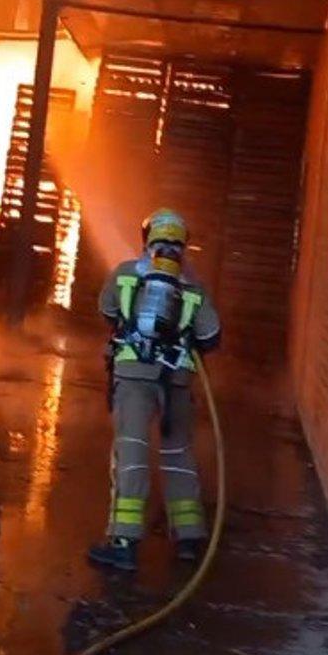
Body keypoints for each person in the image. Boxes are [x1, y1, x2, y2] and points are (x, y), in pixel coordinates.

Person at [88, 207, 221, 572]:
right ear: (183, 244)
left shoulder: (125, 273)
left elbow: (107, 311)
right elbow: (211, 336)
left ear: (147, 238)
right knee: (178, 455)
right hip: (177, 382)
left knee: (131, 453)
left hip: (133, 378)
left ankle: (124, 543)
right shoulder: (193, 286)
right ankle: (189, 539)